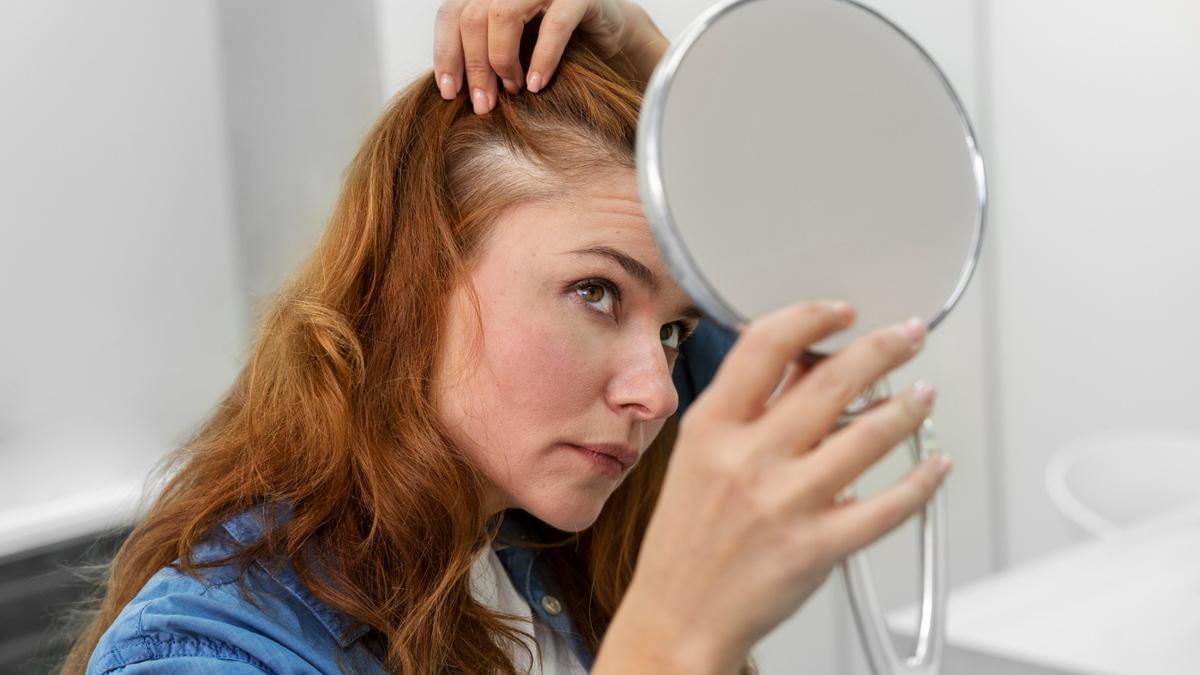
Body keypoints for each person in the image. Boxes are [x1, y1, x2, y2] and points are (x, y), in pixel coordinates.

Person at [65, 1, 951, 673]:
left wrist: (672, 82)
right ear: (413, 281)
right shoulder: (210, 649)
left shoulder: (534, 535)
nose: (660, 392)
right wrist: (669, 642)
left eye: (677, 331)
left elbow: (826, 288)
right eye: (596, 292)